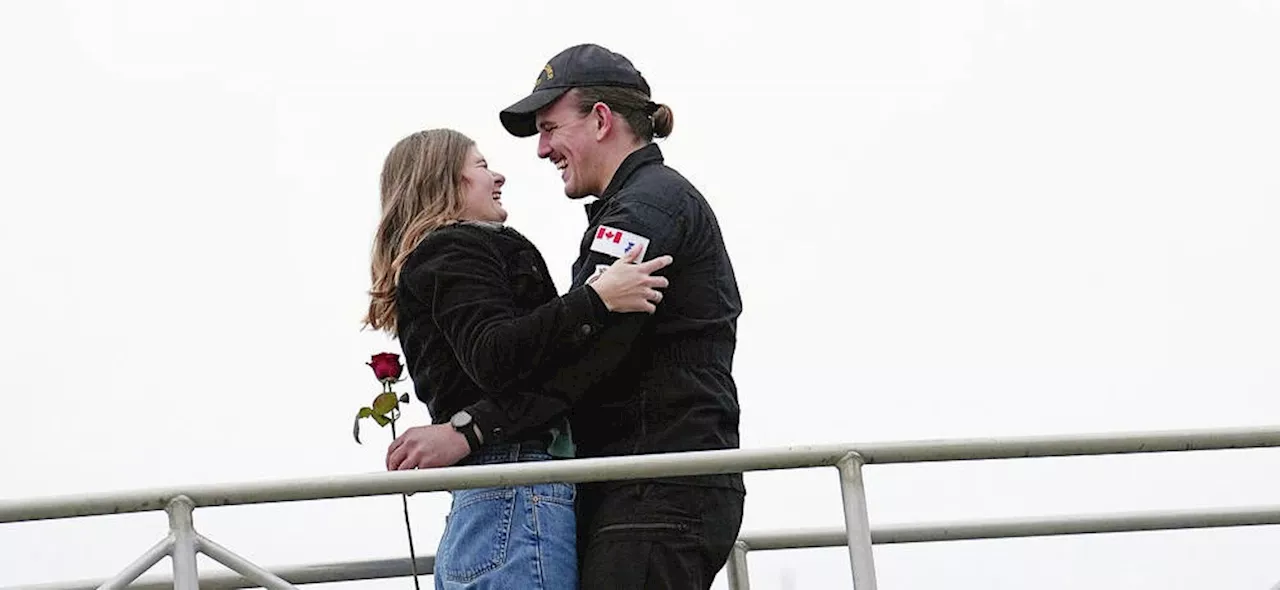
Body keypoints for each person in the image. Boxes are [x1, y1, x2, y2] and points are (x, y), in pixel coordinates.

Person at [366, 128, 673, 589]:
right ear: (445, 180)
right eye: (482, 165)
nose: (498, 175)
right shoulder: (456, 248)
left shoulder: (445, 256)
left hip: (493, 502)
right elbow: (495, 355)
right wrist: (595, 299)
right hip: (515, 492)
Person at [497, 43, 747, 589]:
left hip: (655, 490)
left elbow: (584, 350)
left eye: (549, 128)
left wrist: (473, 428)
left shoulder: (646, 207)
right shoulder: (638, 202)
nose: (542, 150)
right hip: (644, 488)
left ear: (602, 120)